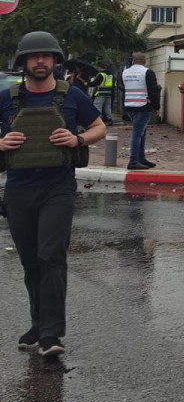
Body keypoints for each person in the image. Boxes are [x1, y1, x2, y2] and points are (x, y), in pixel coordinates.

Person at [0, 30, 106, 357]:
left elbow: (99, 127)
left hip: (57, 187)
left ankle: (51, 333)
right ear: (24, 62)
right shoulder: (7, 98)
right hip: (18, 189)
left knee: (51, 256)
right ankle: (38, 324)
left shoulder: (71, 95)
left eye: (46, 56)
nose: (40, 61)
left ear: (55, 61)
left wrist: (77, 139)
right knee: (31, 261)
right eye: (34, 56)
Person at [121, 52, 160, 171]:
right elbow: (153, 91)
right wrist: (156, 107)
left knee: (141, 132)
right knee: (137, 133)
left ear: (133, 61)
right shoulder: (147, 72)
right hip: (143, 106)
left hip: (129, 105)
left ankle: (141, 158)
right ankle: (133, 161)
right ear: (144, 61)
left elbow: (122, 87)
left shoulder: (125, 72)